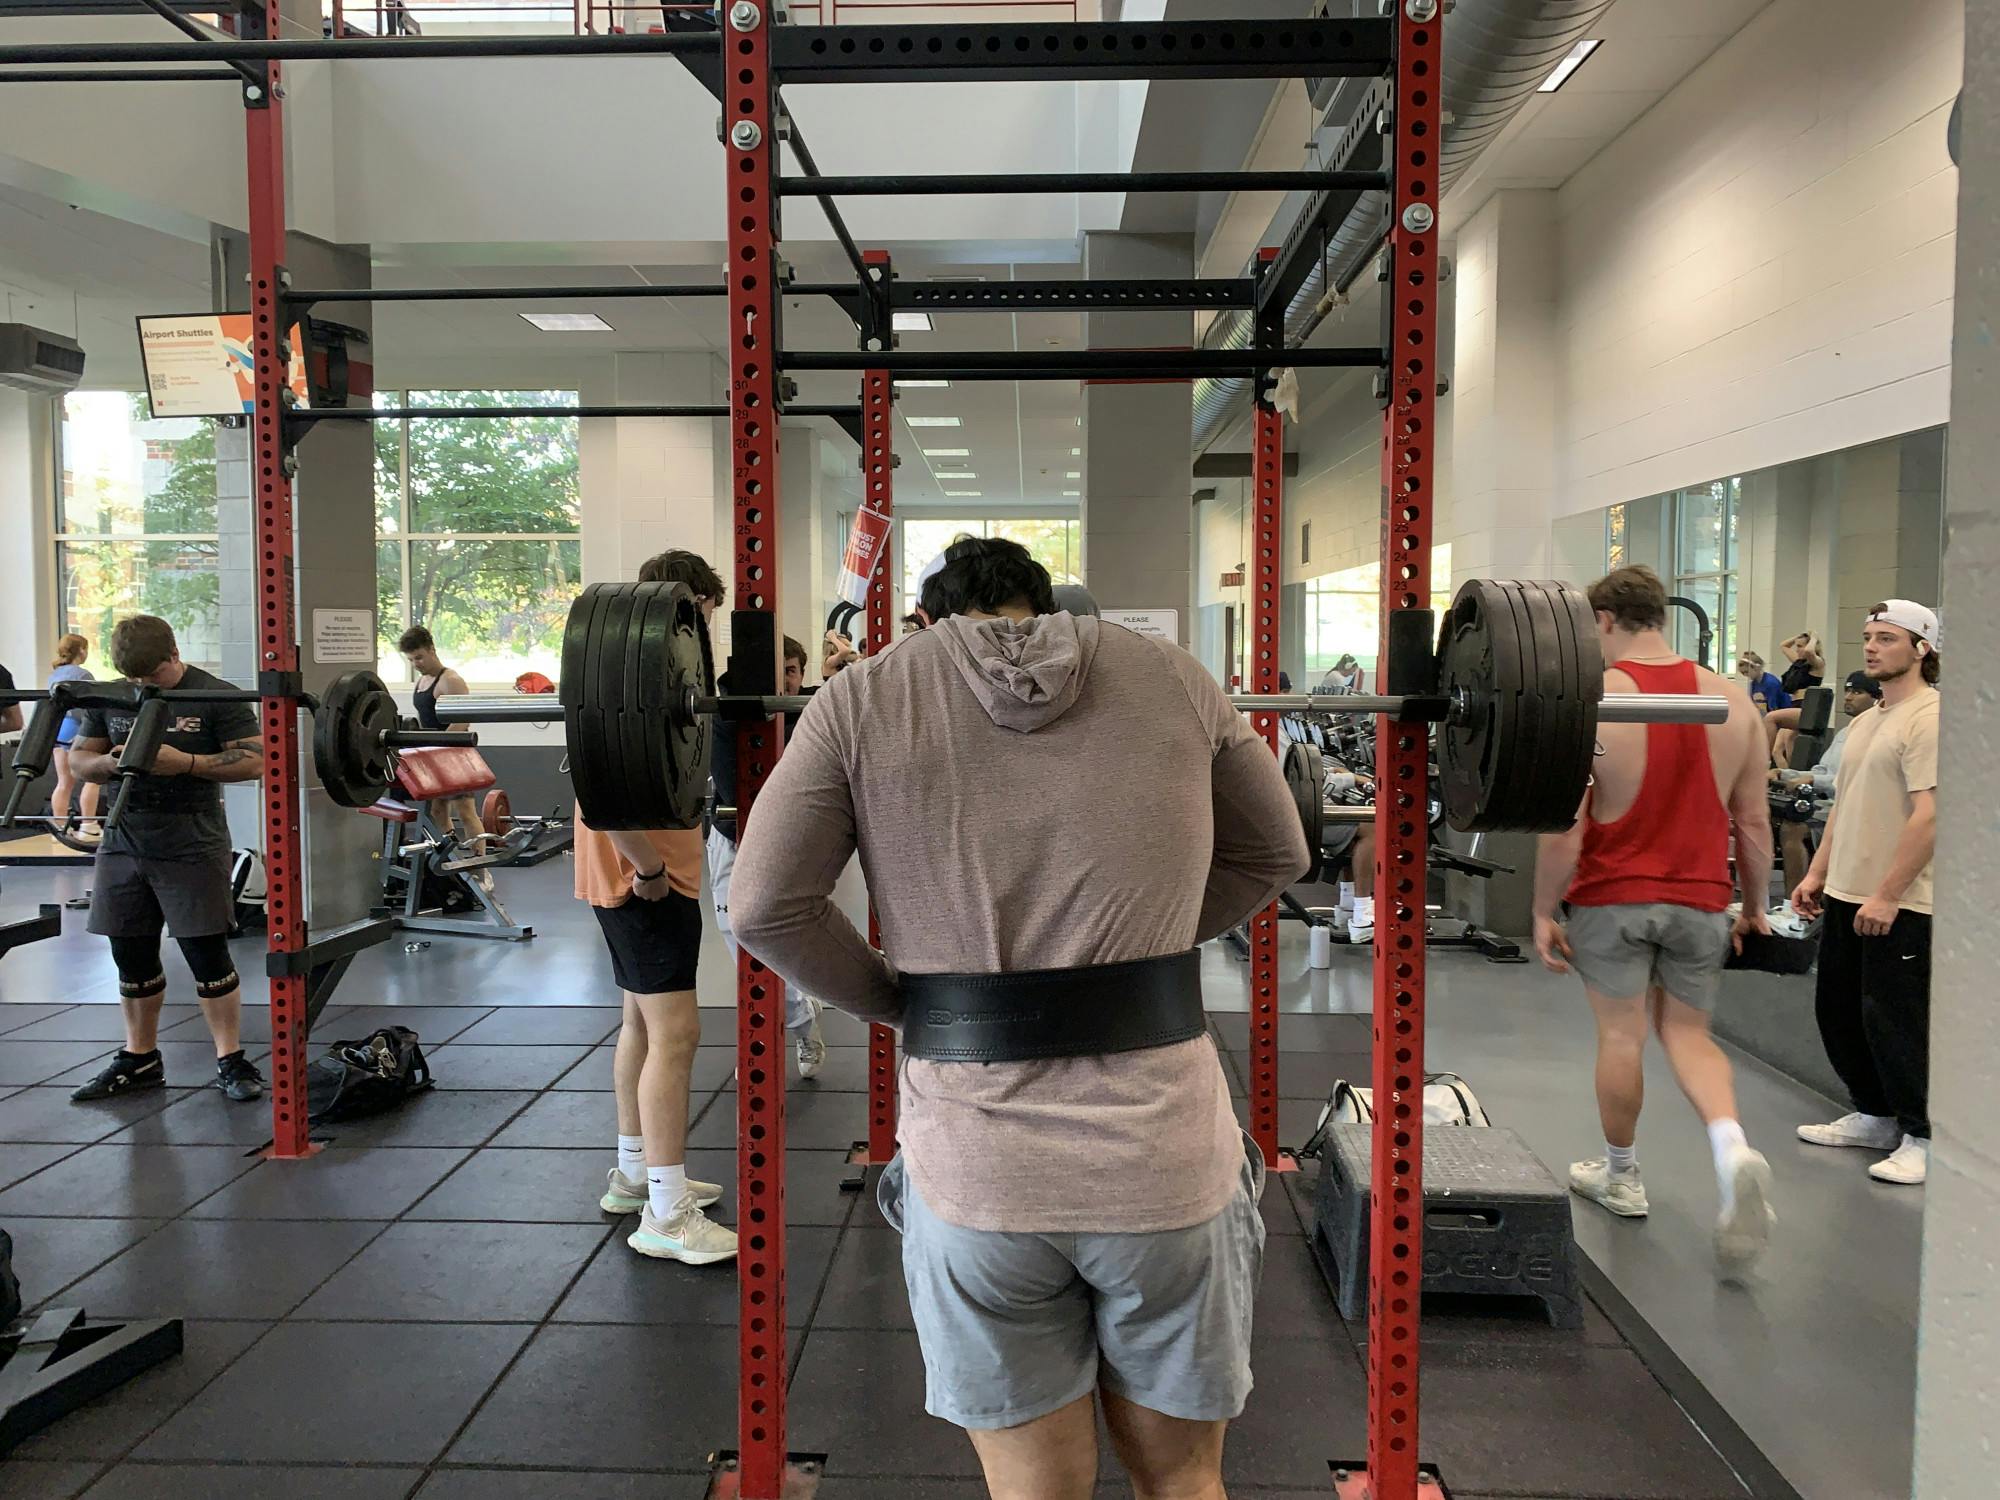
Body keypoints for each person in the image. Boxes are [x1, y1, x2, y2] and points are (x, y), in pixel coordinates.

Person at [730, 536, 1308, 1500]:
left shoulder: (863, 696)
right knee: (1183, 1481)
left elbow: (761, 908)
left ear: (934, 615)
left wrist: (902, 1002)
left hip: (978, 1174)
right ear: (1046, 605)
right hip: (1163, 1168)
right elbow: (1277, 852)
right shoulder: (1176, 677)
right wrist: (1153, 945)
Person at [1532, 565, 1776, 1270]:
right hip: (1702, 899)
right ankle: (1733, 1154)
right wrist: (1754, 907)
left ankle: (1622, 1174)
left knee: (1622, 1033)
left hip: (1615, 897)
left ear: (1604, 620)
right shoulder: (1734, 701)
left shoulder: (1597, 702)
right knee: (1692, 1038)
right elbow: (1754, 823)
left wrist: (1544, 911)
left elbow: (1566, 828)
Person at [578, 549, 737, 1264]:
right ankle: (667, 1216)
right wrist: (647, 870)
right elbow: (605, 793)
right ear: (690, 604)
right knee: (676, 1036)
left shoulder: (618, 675)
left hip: (624, 877)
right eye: (704, 614)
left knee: (638, 1024)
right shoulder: (637, 682)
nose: (704, 632)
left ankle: (637, 1173)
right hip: (647, 882)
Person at [65, 616, 266, 1105]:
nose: (142, 687)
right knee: (130, 956)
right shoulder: (112, 694)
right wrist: (109, 764)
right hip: (123, 835)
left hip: (190, 838)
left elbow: (257, 759)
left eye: (152, 677)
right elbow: (78, 759)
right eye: (134, 679)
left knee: (206, 954)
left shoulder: (217, 694)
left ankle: (230, 1059)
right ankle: (140, 1059)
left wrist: (187, 763)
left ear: (175, 654)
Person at [1792, 601, 1940, 1186]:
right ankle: (1876, 1115)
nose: (1871, 648)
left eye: (1886, 638)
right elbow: (1845, 809)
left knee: (1896, 1019)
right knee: (1841, 1012)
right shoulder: (1865, 722)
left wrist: (1887, 894)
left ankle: (1922, 1134)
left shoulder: (1929, 717)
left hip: (1901, 901)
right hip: (1850, 893)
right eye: (1867, 638)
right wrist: (1815, 874)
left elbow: (1930, 817)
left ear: (1921, 648)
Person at [708, 634, 827, 1078]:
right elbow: (729, 778)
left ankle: (776, 1031)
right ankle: (788, 1022)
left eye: (792, 672)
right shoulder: (726, 715)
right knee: (739, 936)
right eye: (772, 674)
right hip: (733, 836)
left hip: (793, 841)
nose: (783, 683)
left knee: (785, 937)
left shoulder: (815, 711)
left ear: (802, 674)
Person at [1769, 671, 1880, 892]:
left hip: (1850, 806)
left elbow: (1849, 779)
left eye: (1857, 692)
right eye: (1847, 691)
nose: (1848, 697)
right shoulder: (1845, 733)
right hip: (1828, 801)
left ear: (1875, 698)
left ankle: (1795, 902)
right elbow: (1821, 770)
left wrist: (1812, 779)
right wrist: (1784, 774)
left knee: (1794, 826)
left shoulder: (1876, 734)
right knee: (1767, 812)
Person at [398, 626, 489, 852]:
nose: (416, 663)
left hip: (454, 754)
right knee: (438, 810)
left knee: (466, 810)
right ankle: (451, 855)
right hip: (431, 753)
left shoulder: (451, 680)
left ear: (432, 650)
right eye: (411, 660)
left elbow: (463, 721)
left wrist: (438, 749)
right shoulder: (422, 682)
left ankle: (481, 868)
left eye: (419, 657)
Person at [47, 635, 102, 840]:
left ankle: (60, 827)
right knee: (92, 779)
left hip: (59, 729)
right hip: (79, 729)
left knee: (63, 782)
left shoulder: (54, 675)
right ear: (81, 651)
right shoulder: (83, 674)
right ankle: (89, 824)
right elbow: (92, 707)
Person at [1777, 631, 1825, 697]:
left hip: (1809, 703)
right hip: (1796, 702)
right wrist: (1799, 636)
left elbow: (1809, 651)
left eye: (1800, 646)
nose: (1797, 650)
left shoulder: (1818, 663)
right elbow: (1783, 646)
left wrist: (1814, 638)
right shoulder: (1799, 661)